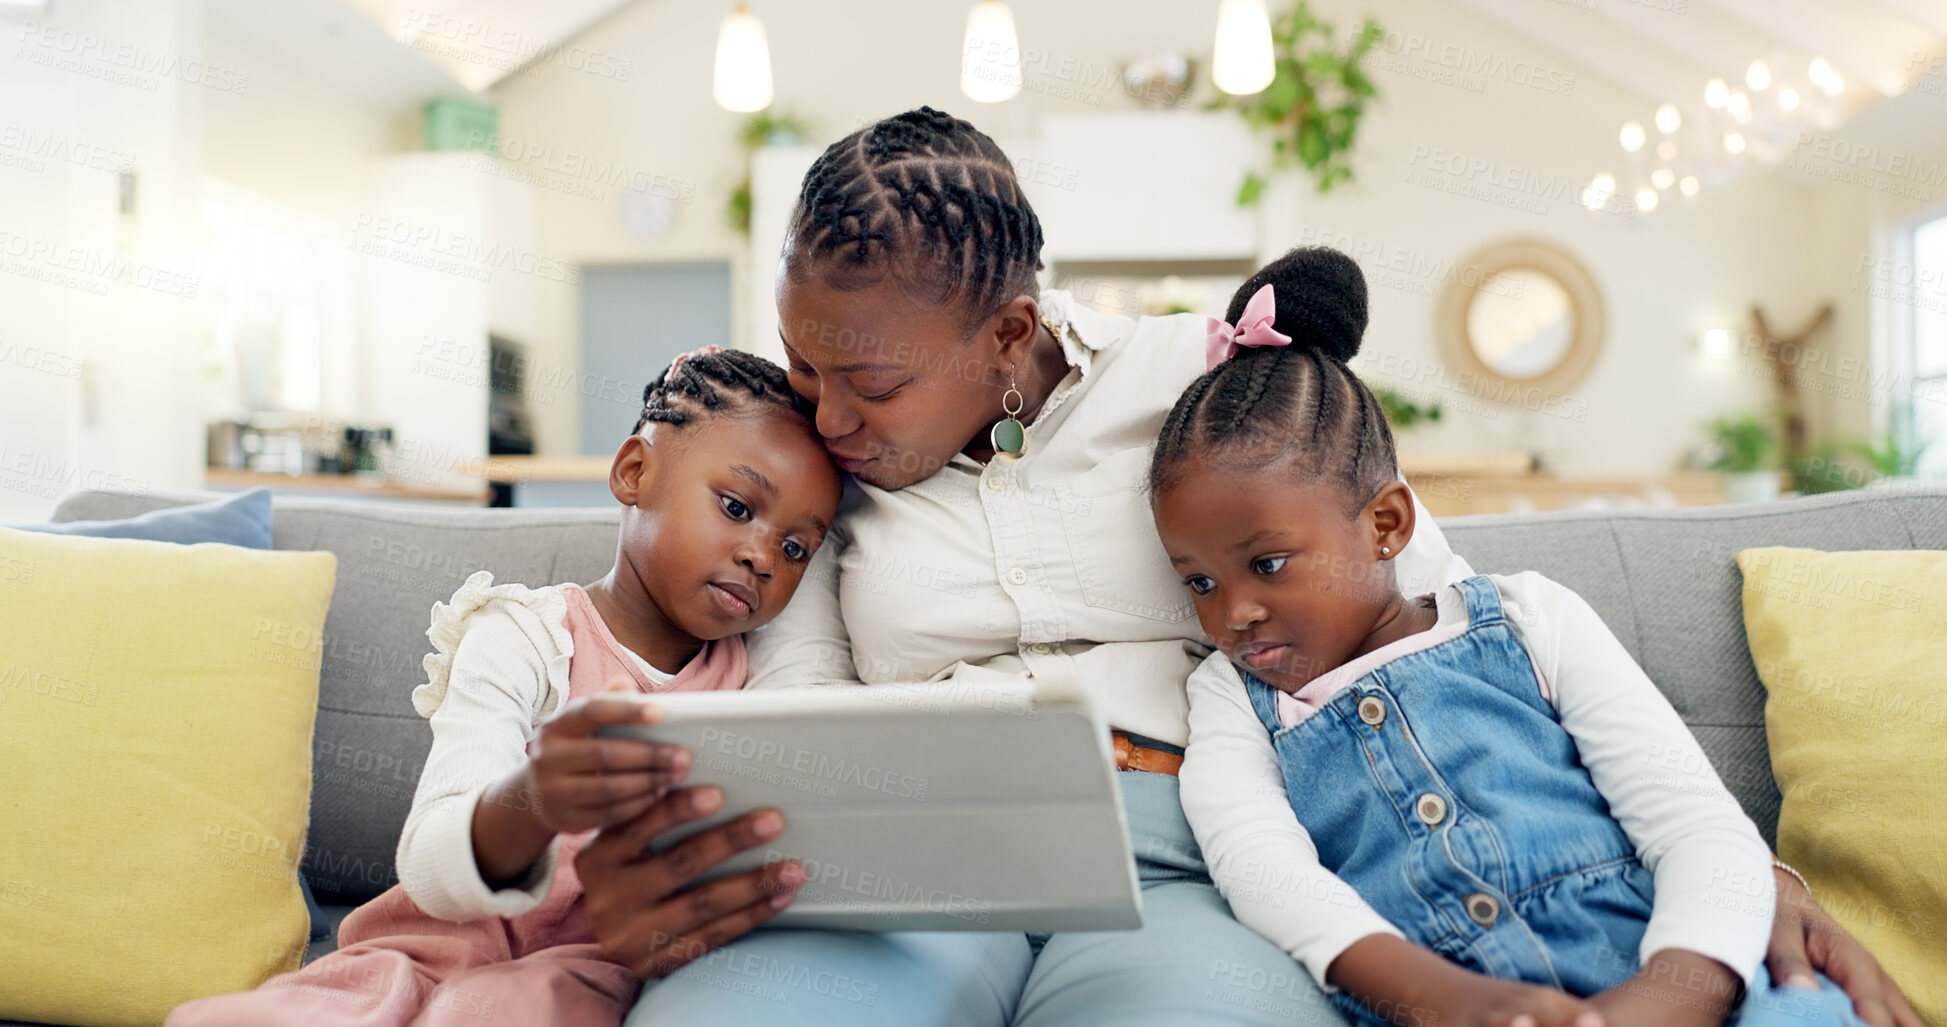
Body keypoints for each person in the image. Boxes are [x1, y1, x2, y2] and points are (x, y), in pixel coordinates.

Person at [588, 107, 1920, 1027]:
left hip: (1198, 859)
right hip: (912, 861)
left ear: (1006, 333)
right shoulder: (824, 468)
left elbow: (1432, 634)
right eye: (804, 363)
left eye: (865, 381)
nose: (821, 414)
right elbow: (793, 698)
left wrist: (1748, 879)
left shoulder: (1211, 381)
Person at [1156, 248, 1890, 1027]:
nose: (1232, 612)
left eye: (1266, 564)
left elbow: (1693, 824)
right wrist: (1445, 1000)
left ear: (1385, 525)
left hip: (1668, 973)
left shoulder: (1531, 617)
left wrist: (1670, 996)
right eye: (1198, 581)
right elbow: (1264, 873)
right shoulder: (1229, 698)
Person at [166, 350, 841, 1027]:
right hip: (421, 956)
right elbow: (430, 857)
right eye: (734, 505)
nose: (761, 556)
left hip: (577, 975)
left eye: (793, 550)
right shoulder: (521, 633)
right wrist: (538, 796)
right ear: (634, 472)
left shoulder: (752, 686)